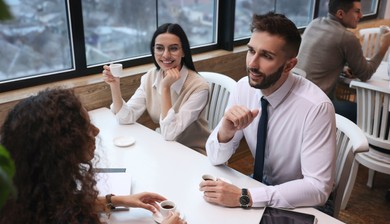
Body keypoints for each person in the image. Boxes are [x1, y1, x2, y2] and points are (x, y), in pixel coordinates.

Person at [0, 88, 187, 224]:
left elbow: (59, 203)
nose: (96, 131)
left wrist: (116, 200)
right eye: (85, 127)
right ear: (61, 145)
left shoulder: (24, 196)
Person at [200, 12, 336, 211]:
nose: (252, 64)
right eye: (251, 51)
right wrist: (226, 132)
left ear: (289, 65)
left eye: (266, 56)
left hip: (304, 203)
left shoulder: (316, 108)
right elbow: (215, 158)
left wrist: (245, 197)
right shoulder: (243, 88)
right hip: (260, 187)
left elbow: (318, 189)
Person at [103, 23, 210, 154]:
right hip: (165, 148)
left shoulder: (199, 88)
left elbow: (169, 133)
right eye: (159, 48)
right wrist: (115, 85)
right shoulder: (150, 77)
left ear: (183, 52)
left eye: (174, 48)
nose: (165, 55)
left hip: (194, 153)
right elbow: (125, 118)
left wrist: (165, 87)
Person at [296, 0, 390, 122]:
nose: (361, 15)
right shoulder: (346, 37)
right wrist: (384, 46)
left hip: (298, 101)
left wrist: (342, 67)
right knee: (381, 114)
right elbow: (365, 74)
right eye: (357, 11)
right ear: (340, 14)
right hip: (317, 108)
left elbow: (323, 57)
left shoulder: (314, 23)